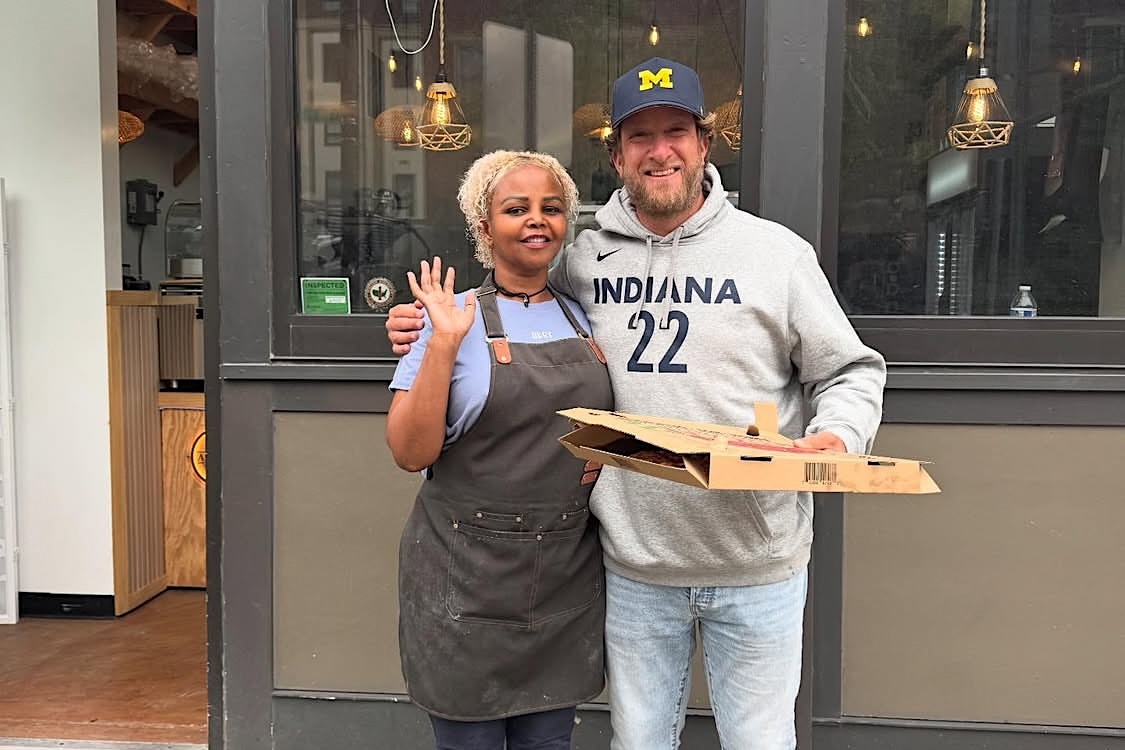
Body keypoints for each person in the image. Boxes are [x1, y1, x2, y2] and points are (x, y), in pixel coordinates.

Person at [387, 58, 886, 750]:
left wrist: (837, 436)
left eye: (675, 131)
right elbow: (508, 289)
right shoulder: (581, 260)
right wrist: (419, 330)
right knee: (639, 742)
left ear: (703, 143)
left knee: (758, 742)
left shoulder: (776, 255)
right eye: (640, 136)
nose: (660, 151)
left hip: (755, 562)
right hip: (632, 564)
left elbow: (849, 370)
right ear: (616, 155)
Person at [384, 150, 613, 750]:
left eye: (552, 208)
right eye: (516, 209)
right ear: (484, 228)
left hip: (563, 576)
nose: (537, 220)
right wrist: (441, 345)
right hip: (465, 582)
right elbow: (409, 451)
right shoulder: (447, 319)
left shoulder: (588, 316)